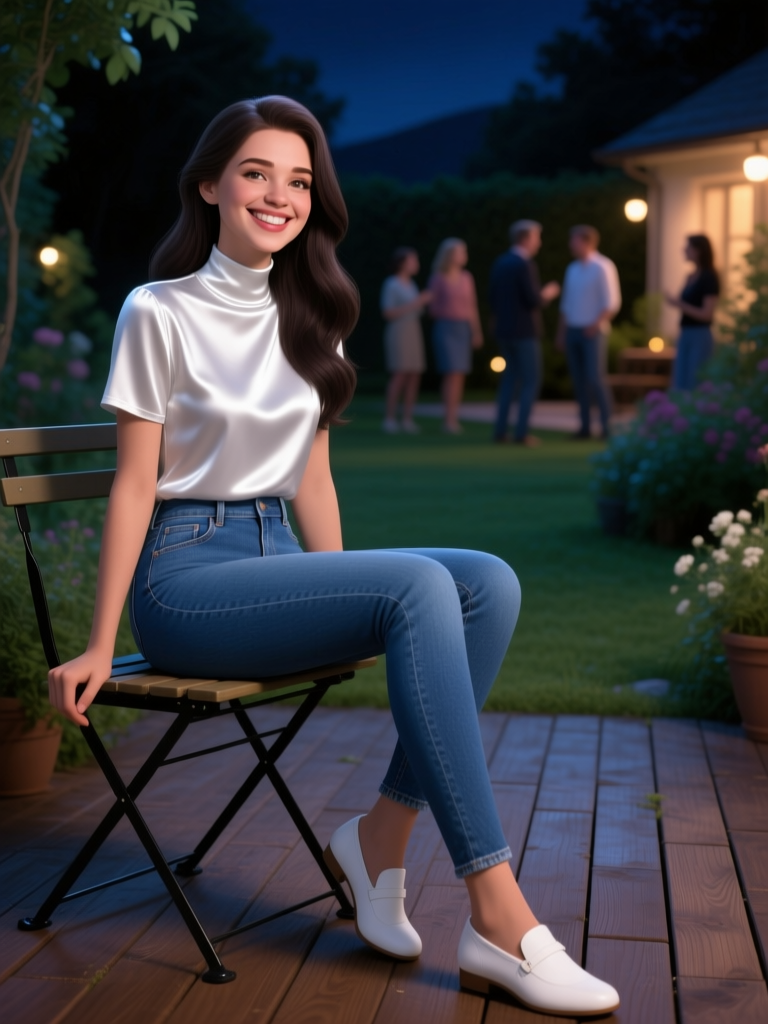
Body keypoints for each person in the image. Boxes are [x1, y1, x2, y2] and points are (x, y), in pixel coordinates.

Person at [47, 96, 618, 1018]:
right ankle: (498, 915)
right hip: (187, 580)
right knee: (420, 584)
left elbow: (311, 475)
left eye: (300, 180)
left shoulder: (313, 309)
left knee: (484, 582)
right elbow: (132, 486)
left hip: (274, 563)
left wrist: (346, 590)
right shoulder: (158, 309)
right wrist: (100, 642)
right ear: (211, 185)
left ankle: (379, 840)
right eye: (257, 173)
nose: (280, 195)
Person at [489, 220, 560, 446]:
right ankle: (521, 432)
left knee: (509, 379)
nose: (538, 243)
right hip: (525, 332)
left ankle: (500, 431)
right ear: (526, 238)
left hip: (504, 331)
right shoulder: (525, 265)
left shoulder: (500, 263)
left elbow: (492, 299)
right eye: (537, 238)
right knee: (531, 380)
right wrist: (547, 293)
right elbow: (532, 299)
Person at [556, 225, 621, 440]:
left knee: (595, 378)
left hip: (593, 331)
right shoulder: (572, 269)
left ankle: (606, 426)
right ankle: (584, 426)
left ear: (587, 242)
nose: (571, 245)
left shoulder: (603, 266)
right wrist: (562, 332)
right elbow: (566, 304)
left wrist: (594, 325)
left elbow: (611, 302)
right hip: (573, 329)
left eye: (574, 240)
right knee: (578, 380)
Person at [427, 238, 483, 434]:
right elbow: (432, 308)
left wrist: (476, 331)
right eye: (461, 252)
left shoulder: (467, 277)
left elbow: (472, 307)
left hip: (463, 328)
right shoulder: (438, 278)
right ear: (450, 255)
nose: (464, 256)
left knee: (459, 373)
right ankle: (448, 418)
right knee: (450, 371)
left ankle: (453, 418)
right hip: (445, 327)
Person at [380, 247, 431, 433]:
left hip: (413, 332)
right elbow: (388, 312)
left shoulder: (411, 284)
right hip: (399, 332)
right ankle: (390, 418)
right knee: (400, 374)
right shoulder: (392, 284)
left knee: (414, 374)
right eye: (413, 261)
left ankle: (408, 418)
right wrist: (418, 302)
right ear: (402, 263)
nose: (416, 264)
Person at [665, 234, 719, 391]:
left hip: (700, 334)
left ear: (699, 251)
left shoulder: (709, 278)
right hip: (685, 333)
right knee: (680, 382)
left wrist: (679, 304)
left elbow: (707, 314)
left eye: (688, 247)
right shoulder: (690, 277)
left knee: (695, 382)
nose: (684, 250)